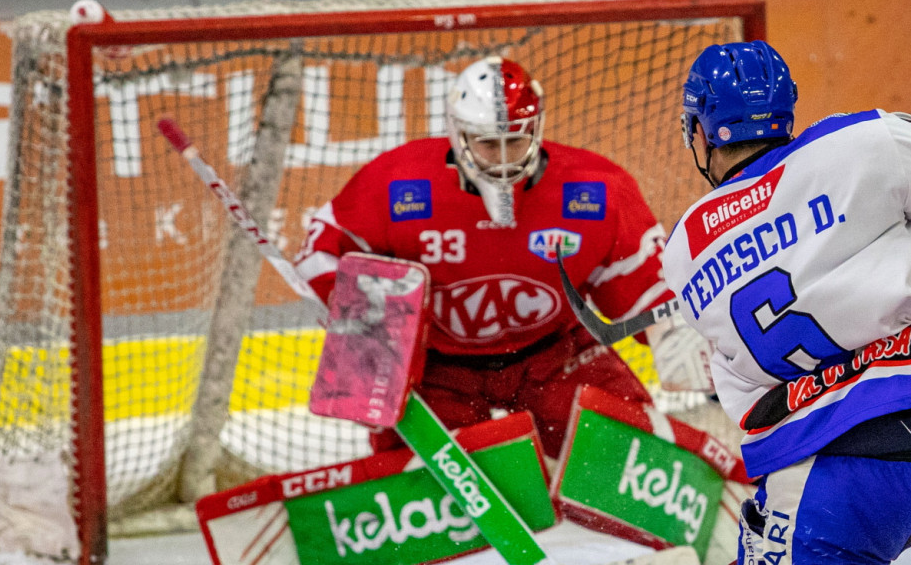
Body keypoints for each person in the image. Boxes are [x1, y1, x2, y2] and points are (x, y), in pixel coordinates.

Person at [656, 40, 911, 565]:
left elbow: (750, 405)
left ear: (698, 132)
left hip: (835, 491)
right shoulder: (860, 141)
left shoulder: (683, 250)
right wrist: (909, 151)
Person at [293, 56, 703, 458]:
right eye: (490, 144)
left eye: (516, 141)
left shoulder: (595, 190)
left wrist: (686, 349)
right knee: (423, 493)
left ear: (536, 131)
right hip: (438, 369)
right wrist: (366, 334)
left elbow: (647, 286)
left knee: (633, 463)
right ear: (460, 135)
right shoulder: (399, 183)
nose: (505, 159)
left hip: (553, 356)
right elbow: (321, 252)